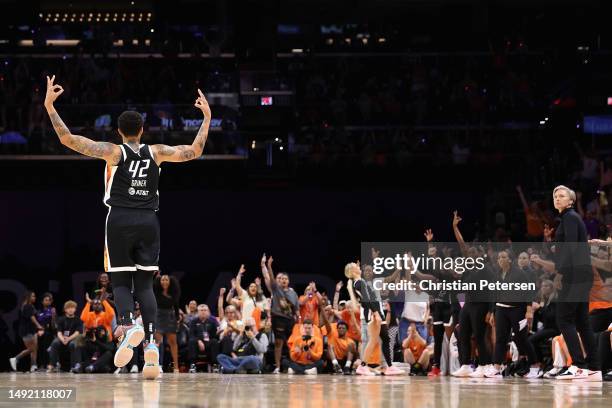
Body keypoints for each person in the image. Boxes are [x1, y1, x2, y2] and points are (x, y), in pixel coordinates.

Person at [43, 74, 211, 380]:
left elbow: (68, 139)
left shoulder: (113, 152)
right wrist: (207, 118)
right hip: (149, 221)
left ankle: (128, 323)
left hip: (119, 219)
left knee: (120, 284)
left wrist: (50, 106)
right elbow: (194, 151)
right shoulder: (157, 152)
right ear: (142, 130)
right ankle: (150, 347)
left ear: (119, 131)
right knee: (145, 286)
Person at [531, 185, 601, 380]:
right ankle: (594, 367)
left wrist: (561, 275)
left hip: (573, 275)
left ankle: (578, 365)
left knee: (565, 320)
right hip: (581, 274)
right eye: (555, 196)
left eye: (562, 196)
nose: (557, 198)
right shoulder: (570, 219)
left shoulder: (570, 218)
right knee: (582, 322)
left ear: (570, 200)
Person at [344, 262, 404, 376]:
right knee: (373, 340)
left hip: (377, 312)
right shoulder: (359, 282)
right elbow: (367, 299)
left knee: (386, 339)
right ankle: (363, 367)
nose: (358, 266)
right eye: (356, 266)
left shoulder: (360, 281)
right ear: (352, 271)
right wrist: (376, 313)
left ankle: (390, 367)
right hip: (372, 313)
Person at [261, 254, 299, 374]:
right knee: (278, 342)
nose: (283, 280)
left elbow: (296, 309)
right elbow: (271, 278)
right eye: (281, 278)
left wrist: (298, 318)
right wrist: (269, 266)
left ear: (288, 281)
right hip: (278, 318)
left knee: (291, 342)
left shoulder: (293, 294)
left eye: (285, 279)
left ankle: (292, 365)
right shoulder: (276, 289)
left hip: (290, 320)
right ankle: (277, 367)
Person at [10, 291, 44, 372]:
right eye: (33, 296)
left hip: (32, 330)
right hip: (27, 330)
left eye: (34, 296)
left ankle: (33, 366)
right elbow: (32, 318)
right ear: (28, 297)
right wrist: (38, 326)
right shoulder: (27, 306)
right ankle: (15, 358)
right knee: (31, 349)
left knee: (35, 348)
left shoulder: (30, 306)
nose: (34, 298)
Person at [154, 274, 182, 373]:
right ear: (159, 282)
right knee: (157, 342)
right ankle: (156, 365)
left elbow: (176, 306)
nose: (164, 282)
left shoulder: (173, 293)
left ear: (170, 282)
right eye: (162, 280)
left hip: (170, 317)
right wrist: (154, 275)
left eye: (166, 280)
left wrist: (178, 318)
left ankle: (176, 368)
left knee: (173, 343)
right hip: (158, 316)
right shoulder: (156, 292)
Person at [47, 300, 83, 372]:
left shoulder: (78, 320)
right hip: (62, 338)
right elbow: (59, 332)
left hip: (73, 338)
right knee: (55, 343)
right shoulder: (61, 319)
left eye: (72, 307)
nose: (70, 309)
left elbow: (77, 332)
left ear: (75, 309)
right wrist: (63, 339)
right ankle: (52, 365)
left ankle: (74, 366)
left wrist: (68, 339)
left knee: (73, 344)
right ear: (65, 310)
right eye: (68, 308)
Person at [188, 304, 220, 373]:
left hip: (208, 342)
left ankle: (215, 365)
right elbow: (191, 334)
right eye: (201, 310)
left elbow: (214, 336)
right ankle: (192, 365)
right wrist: (198, 341)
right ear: (198, 312)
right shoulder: (193, 321)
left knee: (214, 341)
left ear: (208, 311)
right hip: (197, 342)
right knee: (191, 341)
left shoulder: (212, 322)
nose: (203, 312)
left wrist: (218, 333)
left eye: (205, 310)